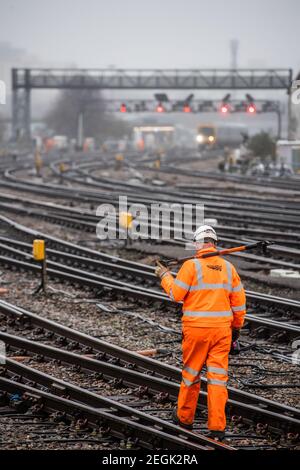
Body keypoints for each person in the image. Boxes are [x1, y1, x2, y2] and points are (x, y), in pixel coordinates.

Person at [155, 225, 246, 441]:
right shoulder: (228, 268)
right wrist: (236, 328)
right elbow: (239, 305)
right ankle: (217, 427)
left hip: (196, 331)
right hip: (222, 332)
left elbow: (176, 294)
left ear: (197, 243)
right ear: (215, 243)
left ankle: (185, 418)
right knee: (217, 379)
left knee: (191, 375)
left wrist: (164, 276)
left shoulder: (190, 266)